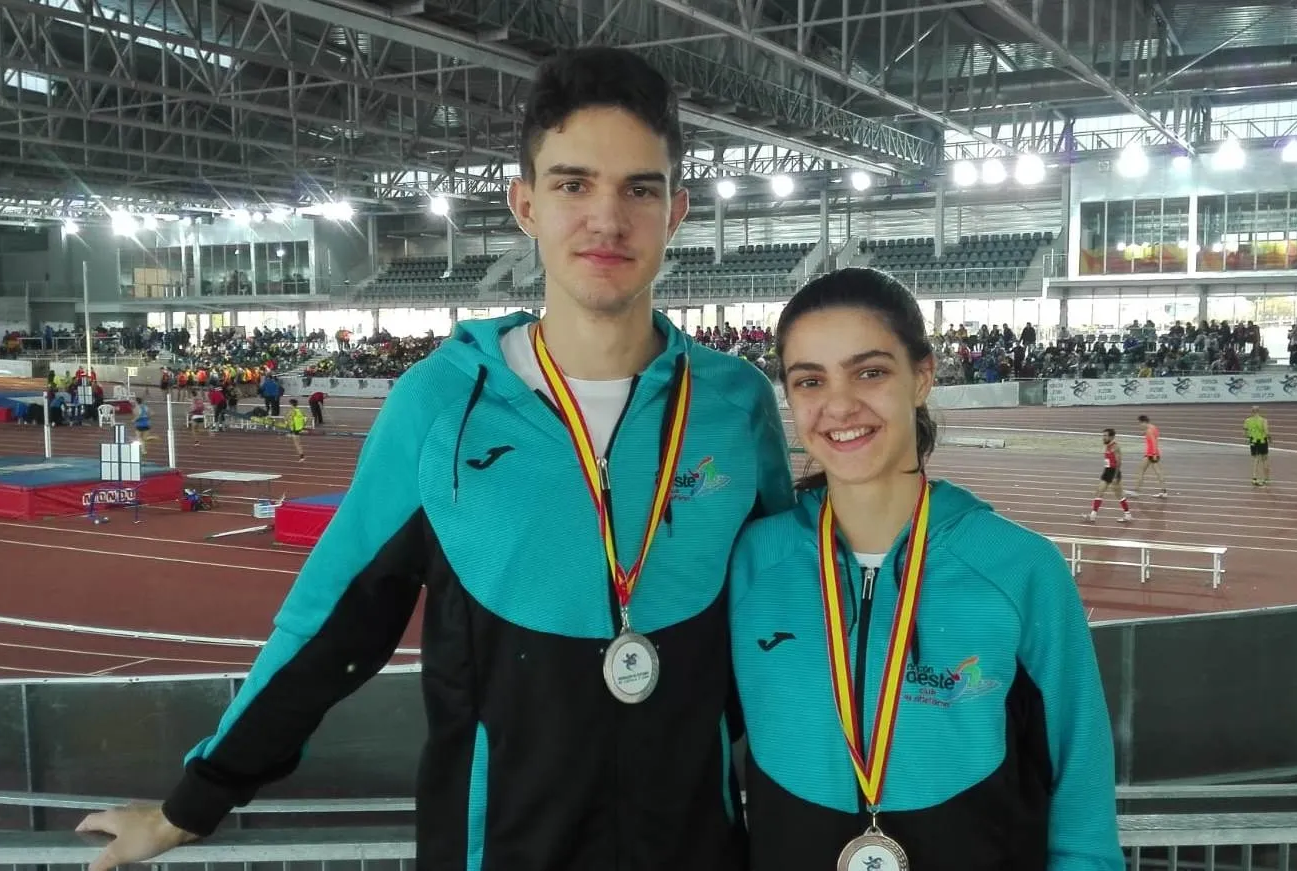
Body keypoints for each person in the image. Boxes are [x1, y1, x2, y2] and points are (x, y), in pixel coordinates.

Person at [75, 46, 794, 871]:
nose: (607, 218)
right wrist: (192, 803)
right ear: (525, 204)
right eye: (573, 184)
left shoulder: (734, 405)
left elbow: (791, 615)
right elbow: (333, 620)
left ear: (676, 212)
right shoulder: (439, 404)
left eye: (639, 188)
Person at [728, 268, 1122, 870]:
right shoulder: (754, 563)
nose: (839, 405)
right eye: (810, 381)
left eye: (870, 372)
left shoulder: (1019, 569)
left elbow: (1082, 813)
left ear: (922, 376)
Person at [1086, 428, 1131, 523]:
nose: (1103, 437)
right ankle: (1093, 515)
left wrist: (1115, 476)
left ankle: (1127, 514)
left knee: (1119, 495)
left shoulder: (1115, 447)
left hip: (1114, 472)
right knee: (1099, 491)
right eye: (1103, 435)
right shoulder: (1107, 445)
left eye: (1105, 436)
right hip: (1106, 471)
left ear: (1111, 437)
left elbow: (1119, 462)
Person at [1133, 414, 1167, 498]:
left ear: (1144, 422)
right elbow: (1155, 438)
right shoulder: (1153, 427)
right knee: (1158, 472)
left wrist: (1154, 454)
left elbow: (1154, 442)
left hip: (1151, 454)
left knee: (1141, 471)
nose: (1140, 425)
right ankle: (1164, 491)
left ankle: (1136, 491)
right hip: (1153, 453)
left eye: (1140, 423)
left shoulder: (1149, 430)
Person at [1244, 406, 1271, 486]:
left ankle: (1254, 478)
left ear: (1252, 411)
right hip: (1262, 441)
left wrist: (1250, 437)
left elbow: (1245, 433)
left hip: (1253, 441)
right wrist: (1270, 438)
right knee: (1265, 459)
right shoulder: (1263, 420)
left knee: (1256, 459)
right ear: (1259, 411)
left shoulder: (1247, 421)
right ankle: (1266, 479)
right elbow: (1266, 432)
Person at [285, 397, 306, 461]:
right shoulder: (300, 410)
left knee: (297, 443)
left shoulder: (292, 411)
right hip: (299, 428)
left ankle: (302, 457)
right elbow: (305, 418)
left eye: (289, 404)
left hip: (294, 429)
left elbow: (286, 418)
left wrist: (287, 421)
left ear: (291, 404)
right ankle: (302, 456)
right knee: (298, 443)